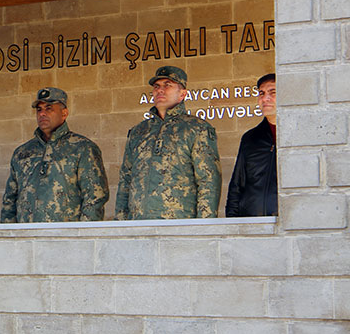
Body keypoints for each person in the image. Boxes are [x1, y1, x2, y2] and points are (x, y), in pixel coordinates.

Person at [115, 65, 222, 220]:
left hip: (179, 224)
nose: (160, 90)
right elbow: (126, 180)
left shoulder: (196, 128)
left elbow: (208, 181)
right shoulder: (139, 132)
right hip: (138, 223)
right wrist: (121, 223)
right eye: (156, 86)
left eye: (167, 85)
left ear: (182, 94)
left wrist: (203, 227)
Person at [0, 87, 108, 223]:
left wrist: (81, 234)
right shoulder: (22, 153)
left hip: (66, 234)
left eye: (49, 108)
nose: (42, 114)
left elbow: (95, 198)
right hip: (28, 234)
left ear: (64, 113)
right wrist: (11, 233)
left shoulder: (82, 148)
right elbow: (9, 202)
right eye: (39, 109)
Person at [226, 73, 277, 217]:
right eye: (261, 93)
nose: (265, 98)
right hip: (253, 222)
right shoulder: (250, 138)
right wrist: (232, 221)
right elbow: (237, 186)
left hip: (292, 222)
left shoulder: (300, 135)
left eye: (272, 92)